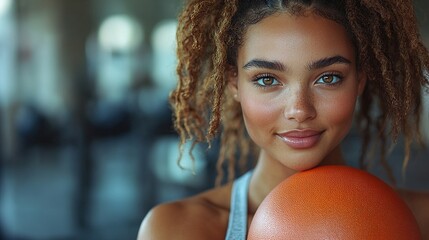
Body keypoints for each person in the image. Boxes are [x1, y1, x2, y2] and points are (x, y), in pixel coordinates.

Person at [138, 0, 429, 239]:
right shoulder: (176, 230)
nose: (299, 110)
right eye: (267, 80)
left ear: (360, 80)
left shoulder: (421, 222)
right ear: (234, 83)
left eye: (328, 78)